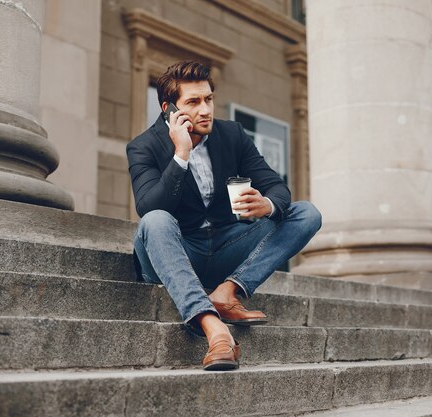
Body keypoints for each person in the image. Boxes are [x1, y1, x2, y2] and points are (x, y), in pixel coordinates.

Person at [126, 61, 322, 371]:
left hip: (225, 247)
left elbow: (276, 186)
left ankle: (228, 291)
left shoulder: (232, 134)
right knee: (155, 220)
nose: (205, 110)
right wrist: (181, 155)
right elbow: (150, 207)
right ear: (169, 110)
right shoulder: (143, 147)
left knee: (306, 213)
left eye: (208, 99)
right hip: (175, 252)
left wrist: (267, 204)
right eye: (193, 102)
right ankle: (214, 328)